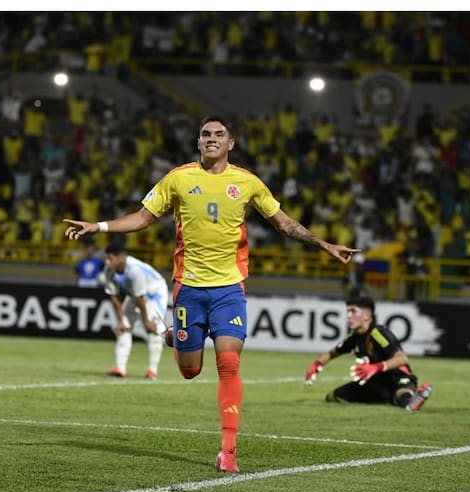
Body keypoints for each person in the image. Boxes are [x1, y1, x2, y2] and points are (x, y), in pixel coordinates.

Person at [62, 115, 359, 473]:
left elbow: (284, 224)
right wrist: (98, 226)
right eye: (206, 134)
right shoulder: (179, 178)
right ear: (198, 142)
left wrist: (323, 244)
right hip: (188, 289)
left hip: (229, 290)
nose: (212, 139)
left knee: (229, 364)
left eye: (219, 135)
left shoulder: (247, 183)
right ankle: (178, 338)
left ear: (230, 144)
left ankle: (229, 451)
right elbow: (142, 218)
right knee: (190, 371)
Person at [304, 295, 432, 412]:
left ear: (366, 315)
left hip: (397, 377)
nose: (348, 315)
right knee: (333, 396)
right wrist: (316, 365)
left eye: (353, 311)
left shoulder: (377, 333)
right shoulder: (354, 338)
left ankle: (412, 400)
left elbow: (402, 359)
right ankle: (391, 398)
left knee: (402, 395)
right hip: (376, 383)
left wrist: (375, 367)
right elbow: (331, 353)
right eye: (348, 311)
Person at [101, 242, 168, 380]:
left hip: (154, 294)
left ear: (120, 258)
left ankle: (152, 372)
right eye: (107, 258)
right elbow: (114, 297)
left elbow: (141, 298)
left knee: (153, 330)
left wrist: (146, 321)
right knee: (124, 327)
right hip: (136, 296)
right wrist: (120, 321)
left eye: (110, 258)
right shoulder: (108, 271)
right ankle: (120, 369)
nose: (107, 262)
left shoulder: (134, 270)